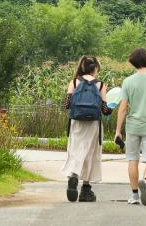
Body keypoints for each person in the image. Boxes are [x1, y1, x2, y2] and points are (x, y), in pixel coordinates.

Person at [114, 47, 146, 206]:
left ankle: (135, 195)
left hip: (133, 126)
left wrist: (118, 130)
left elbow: (123, 108)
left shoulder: (128, 82)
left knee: (132, 159)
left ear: (133, 62)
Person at [60, 55, 108, 202]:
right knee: (90, 153)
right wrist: (110, 108)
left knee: (75, 150)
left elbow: (66, 105)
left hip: (77, 122)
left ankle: (73, 175)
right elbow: (105, 110)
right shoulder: (100, 85)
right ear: (95, 68)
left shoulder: (75, 82)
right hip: (93, 123)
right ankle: (85, 190)